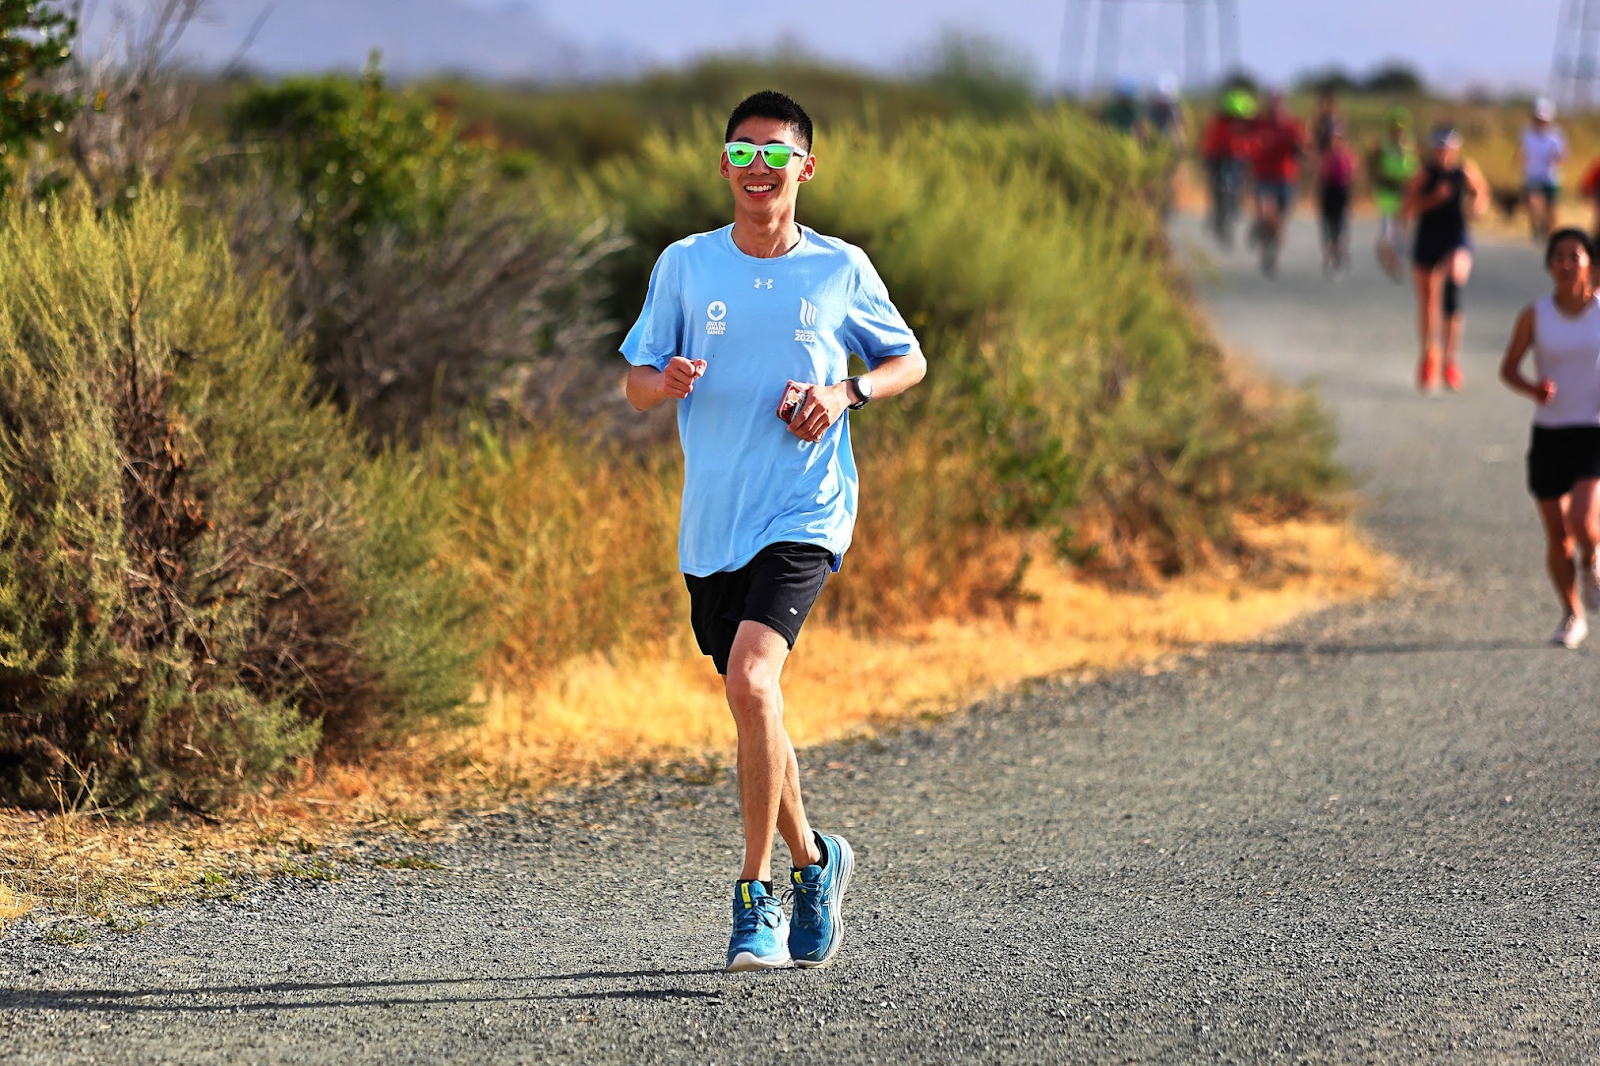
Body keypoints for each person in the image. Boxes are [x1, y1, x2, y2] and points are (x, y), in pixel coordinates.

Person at [621, 90, 926, 971]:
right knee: (756, 706)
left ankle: (753, 902)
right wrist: (664, 383)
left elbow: (907, 359)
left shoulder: (839, 268)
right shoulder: (685, 264)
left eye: (775, 154)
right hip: (713, 521)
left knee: (755, 681)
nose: (759, 169)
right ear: (725, 166)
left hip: (805, 508)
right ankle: (815, 862)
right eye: (743, 153)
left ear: (805, 168)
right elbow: (633, 381)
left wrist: (844, 393)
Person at [1497, 228, 1600, 648]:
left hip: (1593, 428)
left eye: (1574, 255)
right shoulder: (1535, 315)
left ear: (1589, 262)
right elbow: (1509, 369)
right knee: (1556, 535)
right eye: (1558, 256)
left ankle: (1593, 558)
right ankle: (1571, 614)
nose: (1566, 263)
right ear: (1549, 265)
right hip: (1549, 432)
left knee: (1581, 519)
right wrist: (1532, 389)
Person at [1404, 123, 1490, 392]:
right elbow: (1409, 206)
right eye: (1440, 147)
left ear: (1456, 148)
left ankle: (1450, 361)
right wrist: (1433, 198)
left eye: (1449, 147)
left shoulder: (1465, 170)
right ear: (1433, 148)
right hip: (1428, 236)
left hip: (1455, 236)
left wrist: (1477, 206)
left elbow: (1482, 193)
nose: (1444, 153)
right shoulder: (1423, 173)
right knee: (1428, 300)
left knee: (1453, 290)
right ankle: (1429, 354)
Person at [1247, 91, 1307, 276]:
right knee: (1267, 213)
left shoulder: (1292, 126)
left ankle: (1270, 252)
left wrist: (1299, 149)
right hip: (1264, 177)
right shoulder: (1259, 123)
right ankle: (1260, 228)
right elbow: (1245, 138)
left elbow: (1304, 149)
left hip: (1286, 178)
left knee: (1278, 225)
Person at [1198, 88, 1256, 249]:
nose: (1237, 121)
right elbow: (1209, 143)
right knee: (1217, 187)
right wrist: (1208, 159)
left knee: (1237, 187)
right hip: (1218, 159)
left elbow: (1251, 147)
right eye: (1233, 117)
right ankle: (1217, 214)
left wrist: (1249, 159)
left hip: (1237, 160)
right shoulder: (1218, 124)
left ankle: (1232, 210)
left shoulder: (1247, 128)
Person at [1369, 107, 1419, 281]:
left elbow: (1415, 169)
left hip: (1405, 193)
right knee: (1388, 231)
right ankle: (1389, 258)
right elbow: (1374, 169)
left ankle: (1397, 259)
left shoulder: (1409, 146)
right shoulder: (1382, 146)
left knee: (1404, 230)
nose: (1398, 131)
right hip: (1388, 194)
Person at [1515, 97, 1567, 243]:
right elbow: (1522, 151)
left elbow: (1562, 155)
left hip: (1551, 176)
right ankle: (1536, 229)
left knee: (1552, 211)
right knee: (1533, 202)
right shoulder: (1526, 133)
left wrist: (1555, 158)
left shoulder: (1556, 135)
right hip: (1533, 175)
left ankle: (1548, 232)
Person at [1317, 123, 1356, 278]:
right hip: (1328, 193)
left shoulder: (1348, 157)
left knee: (1340, 226)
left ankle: (1339, 254)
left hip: (1341, 193)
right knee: (1328, 226)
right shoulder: (1326, 157)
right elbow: (1320, 178)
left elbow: (1351, 178)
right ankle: (1331, 255)